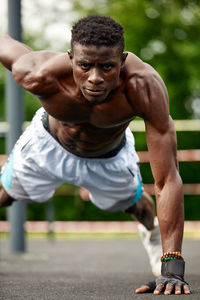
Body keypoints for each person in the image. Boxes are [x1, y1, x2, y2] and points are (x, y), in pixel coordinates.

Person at [0, 15, 190, 295]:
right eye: (85, 65)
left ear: (122, 61)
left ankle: (152, 238)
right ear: (70, 58)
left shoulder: (142, 86)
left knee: (141, 208)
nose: (95, 78)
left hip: (109, 155)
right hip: (47, 145)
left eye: (107, 67)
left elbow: (167, 179)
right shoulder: (38, 74)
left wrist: (172, 266)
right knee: (3, 194)